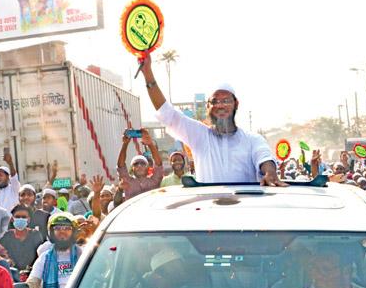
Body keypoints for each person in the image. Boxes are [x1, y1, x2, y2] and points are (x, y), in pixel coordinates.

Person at [138, 57, 281, 186]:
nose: (220, 105)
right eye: (215, 101)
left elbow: (264, 157)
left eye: (226, 101)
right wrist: (147, 73)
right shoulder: (199, 135)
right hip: (209, 212)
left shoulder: (252, 139)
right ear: (208, 106)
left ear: (236, 104)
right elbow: (167, 112)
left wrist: (270, 173)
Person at [27, 214, 82, 288]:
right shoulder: (44, 258)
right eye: (57, 228)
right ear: (51, 232)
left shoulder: (83, 255)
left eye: (67, 228)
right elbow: (33, 282)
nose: (62, 232)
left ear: (74, 232)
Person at [117, 129, 164, 199]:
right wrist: (125, 144)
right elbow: (121, 165)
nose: (139, 165)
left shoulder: (154, 181)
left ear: (148, 167)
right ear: (132, 169)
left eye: (143, 163)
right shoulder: (127, 182)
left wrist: (150, 144)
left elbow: (159, 164)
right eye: (136, 164)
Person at [0, 205, 44, 272]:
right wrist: (6, 259)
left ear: (28, 220)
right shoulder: (7, 236)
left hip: (32, 272)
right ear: (12, 219)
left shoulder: (35, 235)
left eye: (24, 217)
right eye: (17, 217)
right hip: (12, 273)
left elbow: (41, 255)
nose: (20, 219)